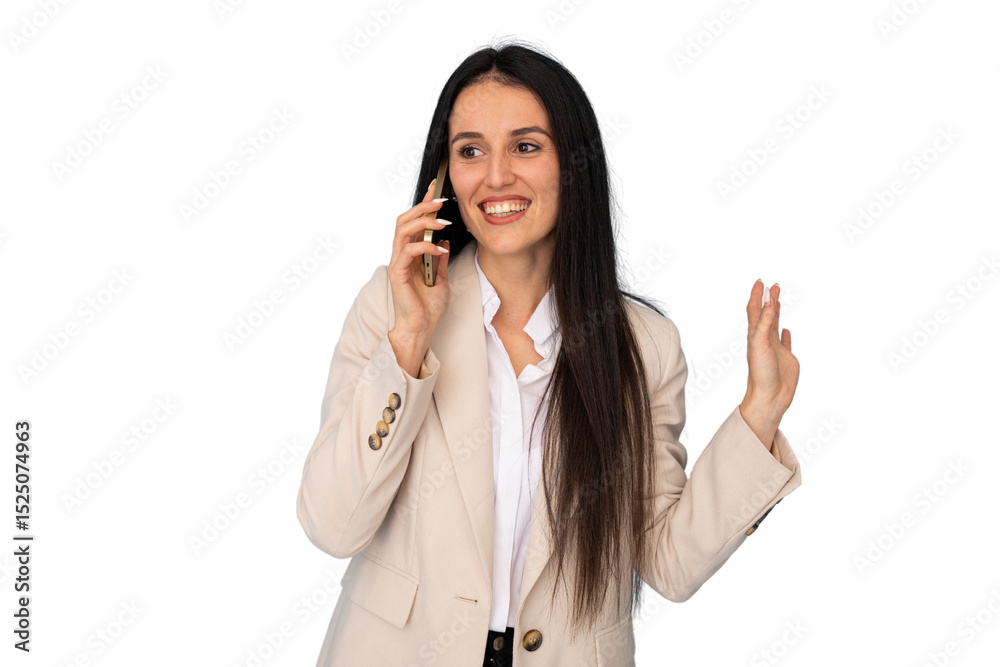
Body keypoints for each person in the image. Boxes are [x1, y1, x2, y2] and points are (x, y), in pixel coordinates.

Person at [296, 38, 802, 667]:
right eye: (470, 151)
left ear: (573, 165)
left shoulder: (644, 345)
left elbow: (668, 562)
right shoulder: (390, 307)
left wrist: (759, 413)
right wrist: (409, 341)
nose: (495, 177)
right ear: (444, 176)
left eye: (526, 147)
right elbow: (332, 526)